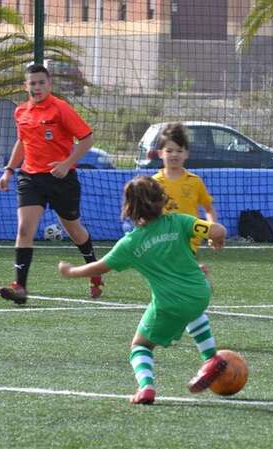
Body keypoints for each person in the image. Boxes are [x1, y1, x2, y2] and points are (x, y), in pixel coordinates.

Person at [57, 176, 228, 405]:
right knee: (193, 310)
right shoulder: (180, 221)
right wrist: (218, 240)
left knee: (140, 345)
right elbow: (217, 230)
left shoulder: (130, 244)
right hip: (200, 292)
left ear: (129, 209)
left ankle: (146, 387)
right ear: (162, 199)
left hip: (169, 303)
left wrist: (72, 271)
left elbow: (100, 267)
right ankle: (210, 358)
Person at [0, 63, 103, 305]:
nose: (37, 87)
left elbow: (87, 139)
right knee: (24, 229)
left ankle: (95, 271)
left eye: (41, 82)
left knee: (75, 231)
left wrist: (67, 163)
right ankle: (20, 287)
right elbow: (22, 142)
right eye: (32, 83)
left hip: (61, 179)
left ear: (49, 84)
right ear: (26, 86)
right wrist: (9, 171)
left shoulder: (60, 108)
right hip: (30, 178)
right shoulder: (21, 112)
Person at [151, 123, 217, 256]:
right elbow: (147, 213)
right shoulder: (154, 183)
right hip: (161, 244)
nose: (174, 155)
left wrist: (212, 230)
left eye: (179, 150)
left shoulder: (195, 181)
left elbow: (208, 208)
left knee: (182, 275)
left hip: (188, 244)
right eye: (169, 151)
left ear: (186, 153)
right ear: (160, 153)